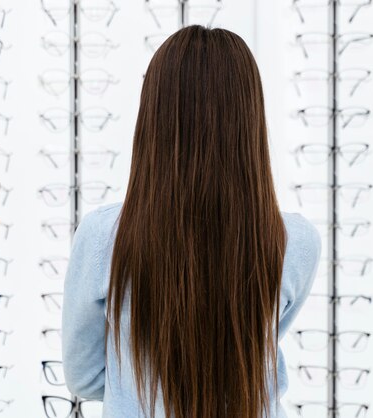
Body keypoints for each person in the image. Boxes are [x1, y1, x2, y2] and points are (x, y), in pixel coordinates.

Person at [62, 25, 321, 418]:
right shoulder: (295, 241)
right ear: (250, 118)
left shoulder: (104, 237)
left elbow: (84, 376)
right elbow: (262, 345)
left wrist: (136, 388)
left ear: (154, 118)